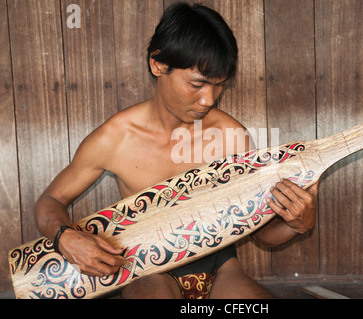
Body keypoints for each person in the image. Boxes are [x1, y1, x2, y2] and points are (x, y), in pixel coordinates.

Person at [34, 2, 318, 299]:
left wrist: (297, 224)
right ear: (158, 64)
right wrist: (63, 236)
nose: (209, 99)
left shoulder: (230, 136)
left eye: (219, 85)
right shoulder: (115, 139)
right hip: (146, 270)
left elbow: (262, 233)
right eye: (198, 84)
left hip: (222, 269)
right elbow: (50, 201)